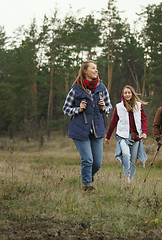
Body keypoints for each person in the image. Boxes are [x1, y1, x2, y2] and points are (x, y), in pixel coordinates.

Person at [63, 60, 112, 191]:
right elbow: (66, 108)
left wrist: (103, 107)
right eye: (93, 68)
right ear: (85, 71)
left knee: (97, 163)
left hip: (97, 129)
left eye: (96, 68)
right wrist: (77, 109)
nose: (96, 70)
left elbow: (109, 107)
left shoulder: (101, 88)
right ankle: (87, 185)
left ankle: (88, 177)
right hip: (79, 129)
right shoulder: (76, 89)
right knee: (87, 159)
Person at [105, 85, 148, 184]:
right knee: (125, 154)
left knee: (133, 160)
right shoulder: (118, 107)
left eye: (129, 93)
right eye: (125, 93)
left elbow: (144, 120)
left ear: (132, 94)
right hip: (122, 136)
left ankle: (130, 181)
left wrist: (144, 132)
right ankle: (126, 177)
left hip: (136, 137)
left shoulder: (139, 106)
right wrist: (108, 137)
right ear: (123, 95)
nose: (127, 95)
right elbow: (113, 122)